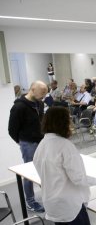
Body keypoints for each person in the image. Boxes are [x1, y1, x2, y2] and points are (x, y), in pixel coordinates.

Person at [8, 81, 48, 213]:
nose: (44, 96)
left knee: (44, 170)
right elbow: (12, 130)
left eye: (45, 93)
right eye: (42, 93)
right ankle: (30, 202)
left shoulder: (40, 103)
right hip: (28, 144)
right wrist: (22, 142)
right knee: (29, 173)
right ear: (32, 89)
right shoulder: (19, 107)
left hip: (41, 141)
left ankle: (48, 197)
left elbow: (41, 122)